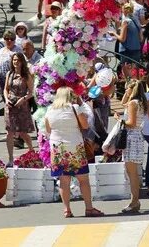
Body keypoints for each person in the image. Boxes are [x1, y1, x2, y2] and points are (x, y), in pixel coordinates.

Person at [44, 87, 102, 217]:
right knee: (83, 180)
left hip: (58, 149)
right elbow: (85, 125)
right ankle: (89, 208)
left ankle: (67, 210)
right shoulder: (75, 107)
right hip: (74, 147)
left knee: (64, 181)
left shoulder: (50, 110)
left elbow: (48, 129)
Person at [118, 80, 147, 214]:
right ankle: (134, 200)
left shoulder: (133, 103)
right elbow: (123, 104)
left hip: (131, 137)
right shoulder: (140, 102)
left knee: (132, 172)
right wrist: (127, 94)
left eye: (127, 89)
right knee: (133, 171)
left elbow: (131, 122)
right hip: (138, 137)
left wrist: (120, 120)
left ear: (131, 89)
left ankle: (135, 200)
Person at [3, 53, 35, 165]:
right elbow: (5, 89)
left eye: (18, 60)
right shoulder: (9, 74)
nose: (15, 62)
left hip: (22, 105)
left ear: (22, 62)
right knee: (10, 132)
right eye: (14, 60)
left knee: (22, 132)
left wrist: (23, 99)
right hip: (10, 106)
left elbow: (31, 92)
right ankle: (10, 158)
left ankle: (32, 151)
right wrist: (6, 99)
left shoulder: (26, 75)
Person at [109, 3, 142, 68]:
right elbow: (141, 38)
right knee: (135, 73)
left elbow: (122, 39)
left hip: (127, 51)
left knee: (127, 75)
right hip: (136, 50)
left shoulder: (126, 22)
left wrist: (113, 33)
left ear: (124, 10)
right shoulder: (136, 20)